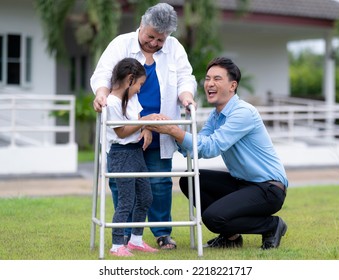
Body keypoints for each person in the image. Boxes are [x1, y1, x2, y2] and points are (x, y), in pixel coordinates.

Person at [147, 57, 288, 250]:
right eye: (207, 78)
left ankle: (272, 226)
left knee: (213, 219)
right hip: (242, 184)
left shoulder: (243, 113)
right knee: (190, 180)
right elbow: (197, 148)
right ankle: (231, 237)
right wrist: (171, 127)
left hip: (268, 188)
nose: (210, 84)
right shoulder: (216, 115)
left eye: (217, 79)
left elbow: (211, 147)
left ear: (233, 85)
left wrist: (174, 131)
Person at [90, 3, 197, 249]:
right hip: (126, 130)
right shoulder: (120, 44)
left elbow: (185, 78)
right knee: (123, 183)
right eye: (150, 36)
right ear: (141, 24)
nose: (154, 43)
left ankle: (162, 234)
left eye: (161, 39)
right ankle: (124, 237)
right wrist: (101, 95)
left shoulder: (175, 48)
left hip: (160, 127)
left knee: (158, 183)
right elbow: (103, 75)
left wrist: (186, 97)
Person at [106, 58, 158, 257]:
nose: (139, 89)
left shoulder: (130, 100)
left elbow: (137, 122)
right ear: (129, 79)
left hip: (136, 152)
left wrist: (146, 126)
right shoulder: (112, 102)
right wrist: (145, 121)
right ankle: (117, 244)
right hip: (121, 154)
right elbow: (121, 132)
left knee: (146, 197)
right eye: (139, 85)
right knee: (126, 201)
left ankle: (136, 239)